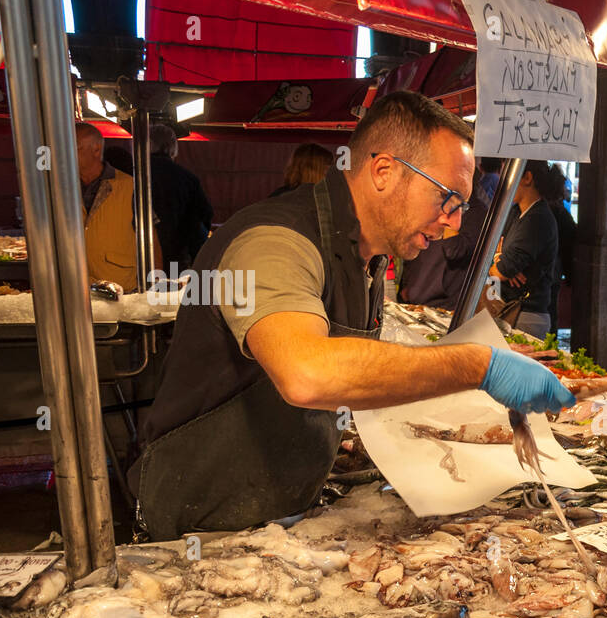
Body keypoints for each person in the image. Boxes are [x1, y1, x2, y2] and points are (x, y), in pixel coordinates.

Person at [130, 91, 573, 540]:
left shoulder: (367, 256)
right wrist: (479, 365)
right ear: (383, 172)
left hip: (277, 517)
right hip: (198, 527)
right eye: (447, 198)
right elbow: (307, 373)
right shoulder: (275, 241)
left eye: (460, 206)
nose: (454, 223)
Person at [397, 167, 491, 307]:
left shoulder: (478, 212)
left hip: (444, 302)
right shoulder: (434, 202)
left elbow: (455, 251)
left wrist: (450, 219)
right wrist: (407, 284)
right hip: (414, 293)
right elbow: (415, 245)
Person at [490, 159, 560, 338]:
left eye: (509, 175)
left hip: (527, 315)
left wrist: (502, 265)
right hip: (508, 309)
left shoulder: (538, 218)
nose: (504, 182)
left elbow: (501, 272)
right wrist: (500, 258)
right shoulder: (515, 212)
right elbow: (491, 253)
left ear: (527, 177)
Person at [75, 122, 138, 291]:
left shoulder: (129, 185)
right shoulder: (61, 186)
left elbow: (150, 236)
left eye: (75, 147)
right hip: (74, 286)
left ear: (96, 150)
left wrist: (153, 286)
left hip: (120, 287)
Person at [148, 123, 213, 276]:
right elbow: (205, 215)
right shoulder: (188, 179)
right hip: (178, 260)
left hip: (138, 258)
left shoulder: (132, 175)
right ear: (173, 147)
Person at [545, 164, 578, 333]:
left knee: (549, 310)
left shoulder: (545, 210)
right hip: (554, 269)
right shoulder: (558, 211)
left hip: (549, 270)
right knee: (551, 312)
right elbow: (571, 238)